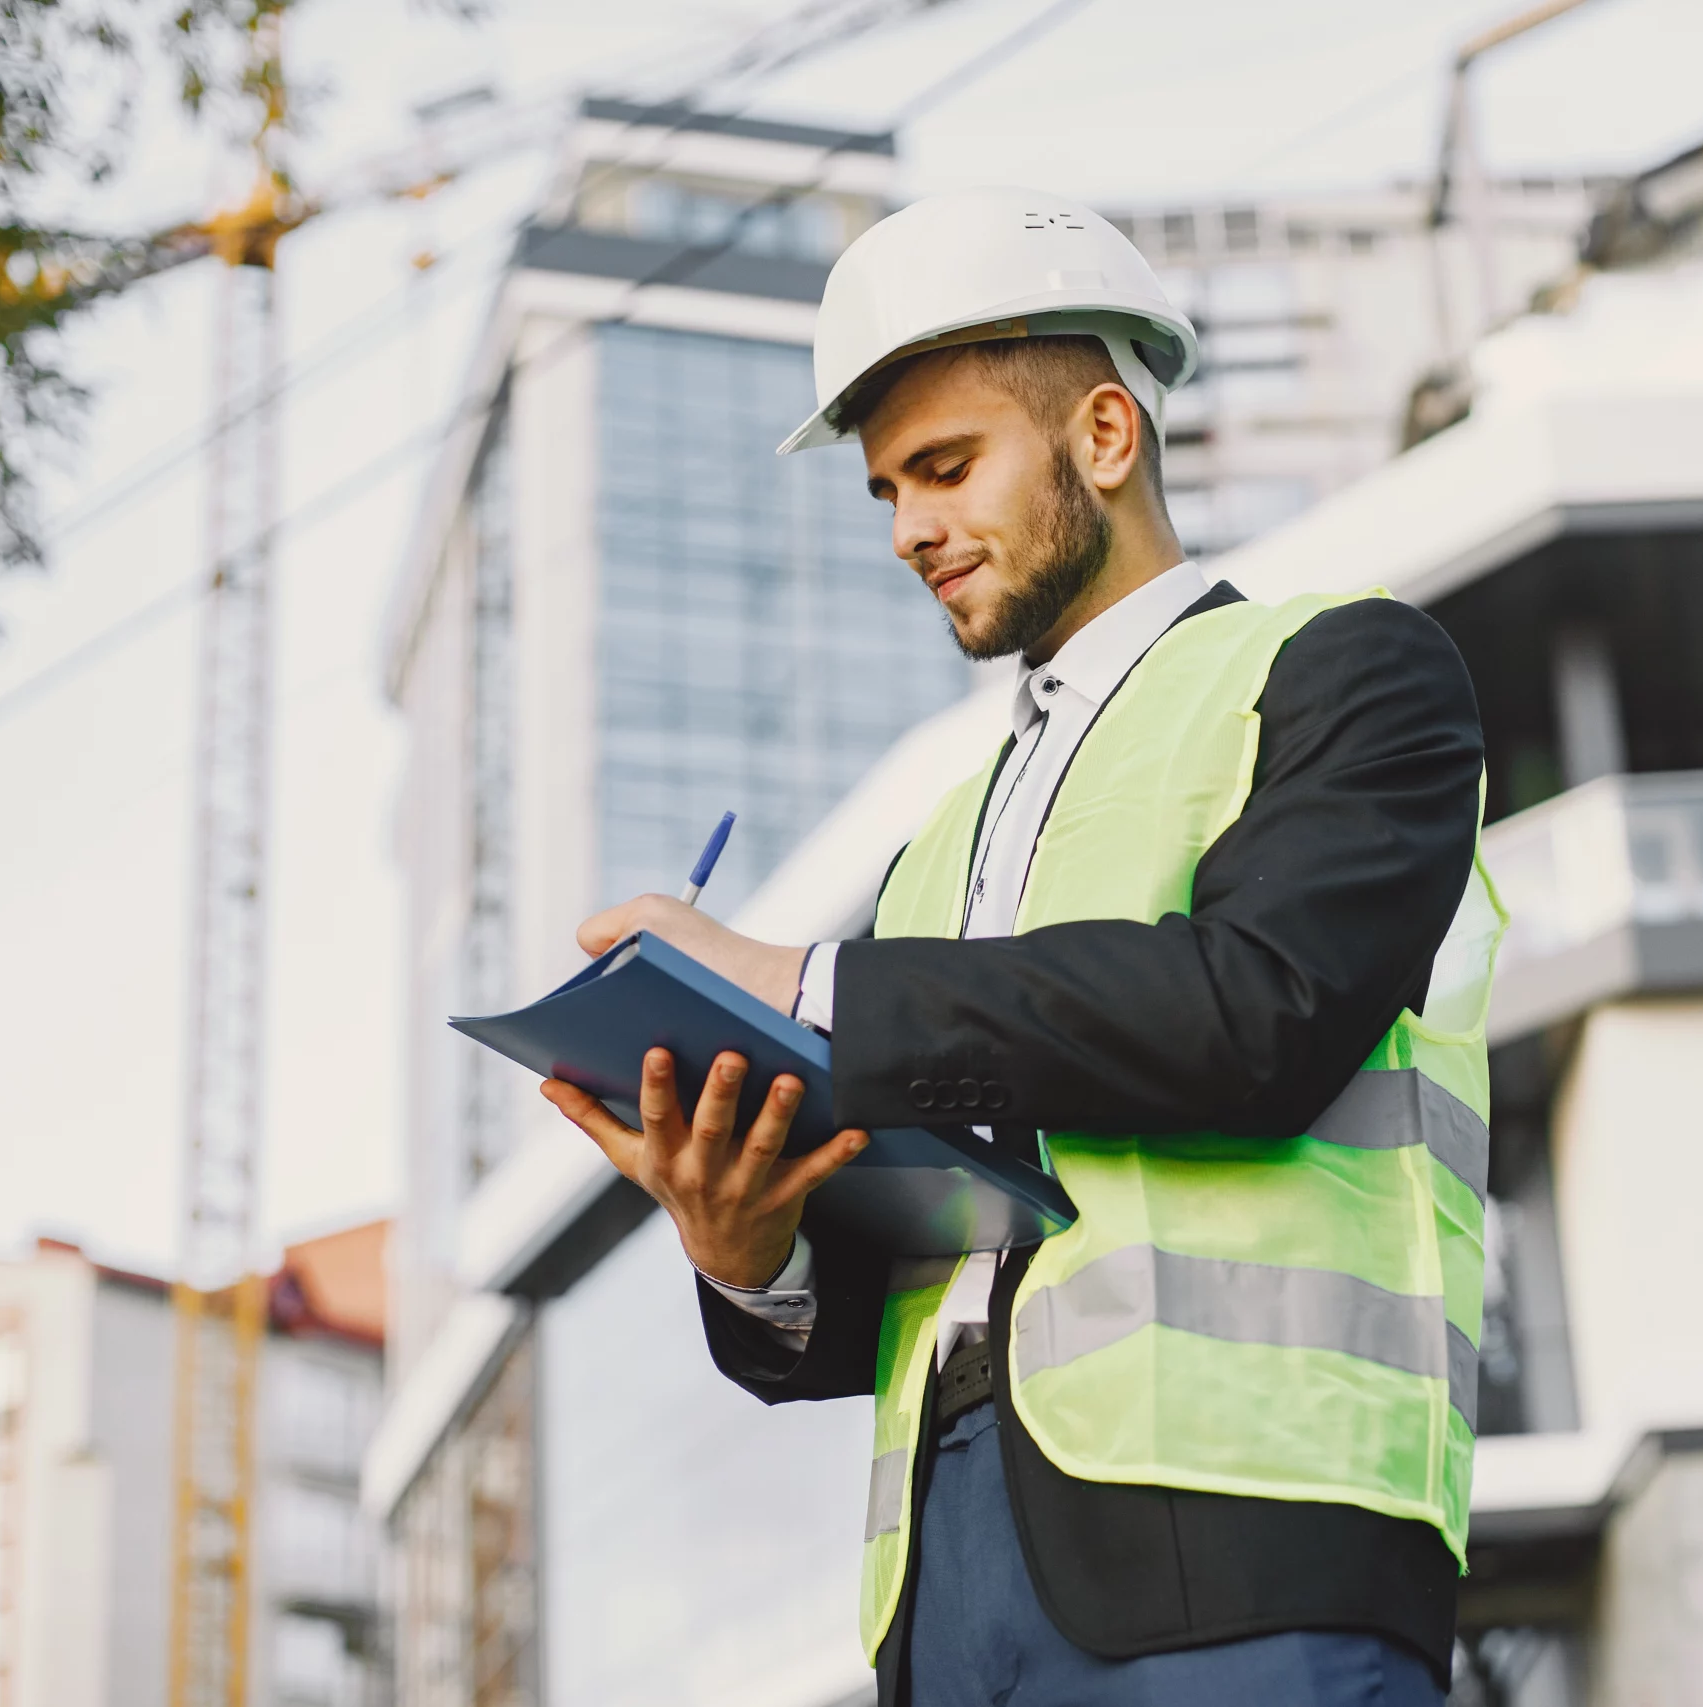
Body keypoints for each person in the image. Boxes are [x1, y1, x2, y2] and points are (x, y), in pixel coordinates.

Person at [541, 186, 1501, 1707]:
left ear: (1105, 437)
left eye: (945, 466)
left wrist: (797, 979)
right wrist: (752, 1251)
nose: (912, 528)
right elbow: (919, 1260)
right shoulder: (937, 849)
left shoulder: (1346, 674)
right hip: (954, 1600)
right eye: (886, 492)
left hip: (1254, 1556)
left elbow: (1259, 1018)